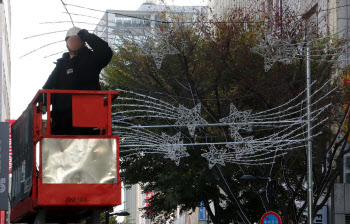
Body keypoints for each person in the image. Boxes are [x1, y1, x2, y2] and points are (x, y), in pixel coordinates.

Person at [42, 27, 113, 135]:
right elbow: (48, 88)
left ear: (83, 42)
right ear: (67, 42)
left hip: (86, 119)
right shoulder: (61, 65)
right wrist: (42, 105)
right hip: (61, 121)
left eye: (76, 39)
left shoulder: (91, 59)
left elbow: (106, 52)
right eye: (71, 40)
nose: (73, 42)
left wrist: (89, 37)